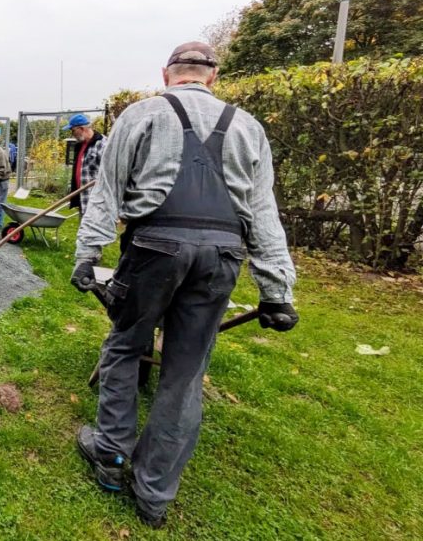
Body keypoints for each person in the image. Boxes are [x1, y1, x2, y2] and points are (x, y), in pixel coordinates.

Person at [70, 42, 298, 528]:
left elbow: (107, 193)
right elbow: (262, 213)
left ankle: (110, 454)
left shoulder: (142, 114)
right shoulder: (248, 126)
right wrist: (277, 289)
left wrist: (88, 255)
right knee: (185, 371)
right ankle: (153, 494)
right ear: (214, 77)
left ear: (166, 74)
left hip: (154, 249)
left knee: (125, 347)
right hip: (221, 256)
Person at [63, 113, 106, 213]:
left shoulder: (103, 145)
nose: (72, 134)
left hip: (97, 204)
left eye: (73, 131)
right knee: (83, 228)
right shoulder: (80, 145)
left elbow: (111, 173)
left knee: (95, 229)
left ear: (81, 128)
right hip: (84, 200)